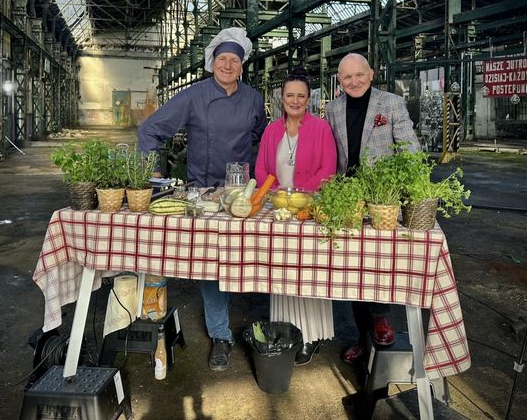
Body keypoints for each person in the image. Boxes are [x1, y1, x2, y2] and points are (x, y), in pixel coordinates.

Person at [137, 27, 267, 371]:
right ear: (212, 62)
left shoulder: (254, 100)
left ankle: (270, 326)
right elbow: (150, 130)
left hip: (240, 195)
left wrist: (258, 177)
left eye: (234, 60)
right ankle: (221, 336)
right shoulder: (194, 95)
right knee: (213, 266)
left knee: (259, 255)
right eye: (222, 58)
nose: (227, 64)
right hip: (204, 195)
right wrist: (149, 179)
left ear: (242, 66)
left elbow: (262, 138)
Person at [324, 53, 420, 364]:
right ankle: (362, 338)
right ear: (339, 81)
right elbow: (330, 152)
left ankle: (382, 318)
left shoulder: (390, 103)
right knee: (354, 270)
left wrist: (412, 188)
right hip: (349, 199)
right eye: (346, 77)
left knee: (380, 264)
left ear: (371, 73)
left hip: (383, 200)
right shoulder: (332, 108)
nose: (353, 81)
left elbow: (409, 148)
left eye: (359, 75)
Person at [254, 66, 337, 365]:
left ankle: (311, 336)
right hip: (278, 209)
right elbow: (261, 169)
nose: (295, 100)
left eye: (301, 95)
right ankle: (286, 330)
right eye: (290, 94)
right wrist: (279, 194)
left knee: (310, 270)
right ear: (281, 97)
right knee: (282, 270)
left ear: (309, 98)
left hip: (308, 210)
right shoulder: (271, 130)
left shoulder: (321, 128)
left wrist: (298, 195)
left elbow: (328, 170)